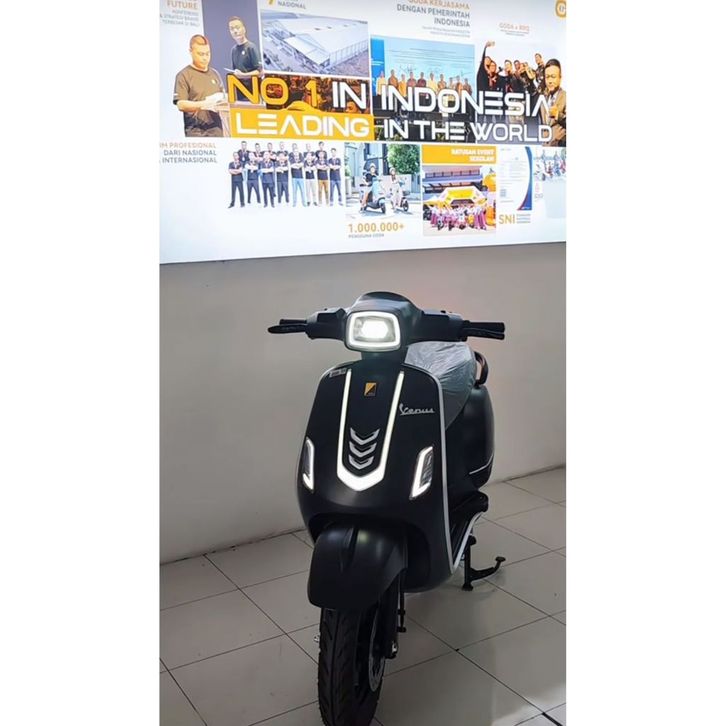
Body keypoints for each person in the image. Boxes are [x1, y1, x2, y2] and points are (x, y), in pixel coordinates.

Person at [173, 34, 226, 137]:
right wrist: (204, 104)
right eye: (201, 54)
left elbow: (223, 100)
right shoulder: (184, 75)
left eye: (207, 54)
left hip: (217, 132)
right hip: (196, 133)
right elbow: (181, 104)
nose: (205, 58)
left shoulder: (215, 74)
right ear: (191, 52)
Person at [228, 16, 262, 99]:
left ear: (244, 29)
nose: (235, 31)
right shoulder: (233, 50)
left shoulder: (251, 47)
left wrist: (244, 75)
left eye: (237, 27)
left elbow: (260, 72)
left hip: (253, 93)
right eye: (232, 29)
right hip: (239, 93)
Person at [541, 59, 566, 146]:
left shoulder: (566, 97)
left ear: (560, 78)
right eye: (547, 77)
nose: (550, 81)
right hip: (545, 148)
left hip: (561, 149)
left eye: (553, 76)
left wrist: (558, 115)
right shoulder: (543, 99)